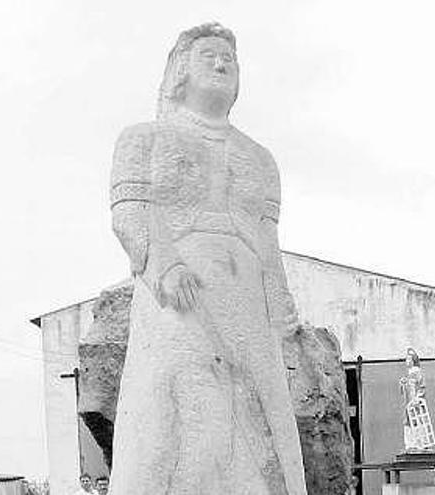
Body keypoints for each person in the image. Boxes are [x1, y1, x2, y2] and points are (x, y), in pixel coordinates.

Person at [108, 22, 306, 495]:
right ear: (180, 69)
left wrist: (282, 309)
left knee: (261, 415)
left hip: (248, 304)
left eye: (230, 60)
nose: (222, 64)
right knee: (177, 410)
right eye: (209, 56)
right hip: (179, 297)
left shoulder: (259, 158)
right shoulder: (143, 140)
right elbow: (130, 211)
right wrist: (163, 265)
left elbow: (267, 241)